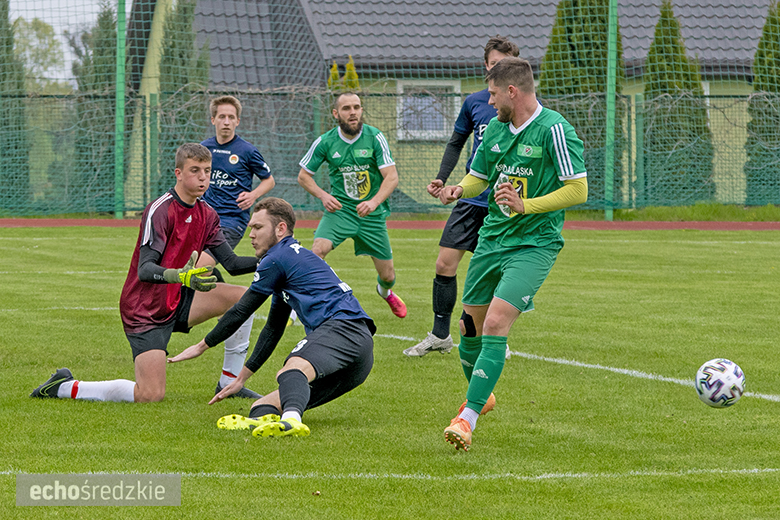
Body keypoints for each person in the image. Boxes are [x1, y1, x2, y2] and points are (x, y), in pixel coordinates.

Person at [30, 143, 263, 403]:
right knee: (150, 395)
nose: (202, 177)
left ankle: (230, 382)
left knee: (243, 297)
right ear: (178, 173)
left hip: (176, 298)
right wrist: (180, 276)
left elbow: (231, 264)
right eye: (195, 170)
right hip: (144, 309)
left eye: (207, 171)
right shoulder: (160, 209)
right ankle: (64, 386)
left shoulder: (207, 214)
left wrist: (274, 257)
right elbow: (145, 269)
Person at [438, 58, 588, 451]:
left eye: (492, 94)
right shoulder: (495, 130)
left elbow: (578, 189)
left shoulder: (555, 129)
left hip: (534, 244)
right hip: (492, 239)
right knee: (468, 330)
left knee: (495, 323)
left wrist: (527, 206)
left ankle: (466, 419)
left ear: (512, 91)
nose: (488, 102)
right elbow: (480, 177)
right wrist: (459, 189)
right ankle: (482, 395)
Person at [167, 197, 376, 438]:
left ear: (280, 229)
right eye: (250, 228)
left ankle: (291, 421)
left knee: (291, 370)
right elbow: (273, 328)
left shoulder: (277, 258)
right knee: (262, 405)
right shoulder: (290, 260)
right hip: (359, 354)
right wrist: (241, 379)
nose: (251, 235)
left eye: (258, 227)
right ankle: (272, 422)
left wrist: (201, 346)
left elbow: (241, 309)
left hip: (344, 329)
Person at [405, 36, 519, 359]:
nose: (498, 69)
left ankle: (495, 336)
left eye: (505, 64)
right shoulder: (475, 102)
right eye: (494, 64)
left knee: (496, 272)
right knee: (444, 263)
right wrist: (442, 178)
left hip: (503, 201)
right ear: (486, 66)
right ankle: (440, 335)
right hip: (471, 196)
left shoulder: (521, 106)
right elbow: (456, 142)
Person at [297, 92, 407, 318]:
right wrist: (323, 196)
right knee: (317, 251)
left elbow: (392, 177)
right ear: (336, 114)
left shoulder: (375, 137)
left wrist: (374, 202)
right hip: (341, 212)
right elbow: (303, 176)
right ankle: (300, 303)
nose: (353, 112)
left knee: (388, 276)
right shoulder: (325, 141)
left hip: (371, 216)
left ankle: (385, 292)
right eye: (346, 108)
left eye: (356, 107)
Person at [199, 95, 275, 279]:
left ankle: (278, 262)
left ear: (237, 121)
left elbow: (269, 180)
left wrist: (253, 195)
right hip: (204, 219)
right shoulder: (203, 149)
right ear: (213, 120)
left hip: (232, 220)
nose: (226, 122)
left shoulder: (247, 151)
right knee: (196, 267)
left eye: (231, 117)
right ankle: (225, 296)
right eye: (222, 117)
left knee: (200, 266)